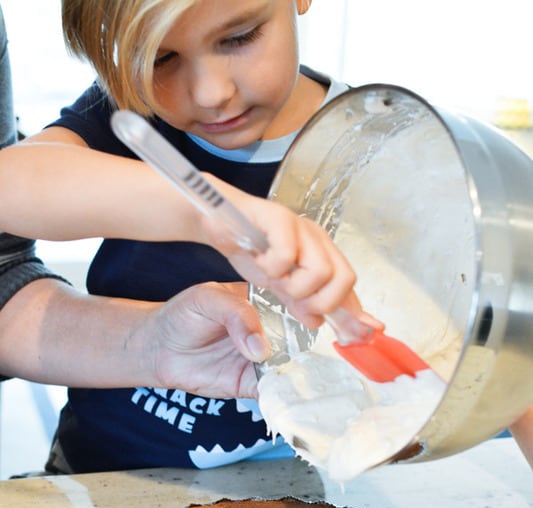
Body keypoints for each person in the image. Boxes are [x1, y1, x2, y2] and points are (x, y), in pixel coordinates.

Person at [0, 0, 383, 475]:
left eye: (239, 38)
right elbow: (10, 184)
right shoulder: (132, 113)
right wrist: (207, 210)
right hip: (100, 473)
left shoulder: (379, 144)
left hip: (294, 489)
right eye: (160, 58)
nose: (210, 93)